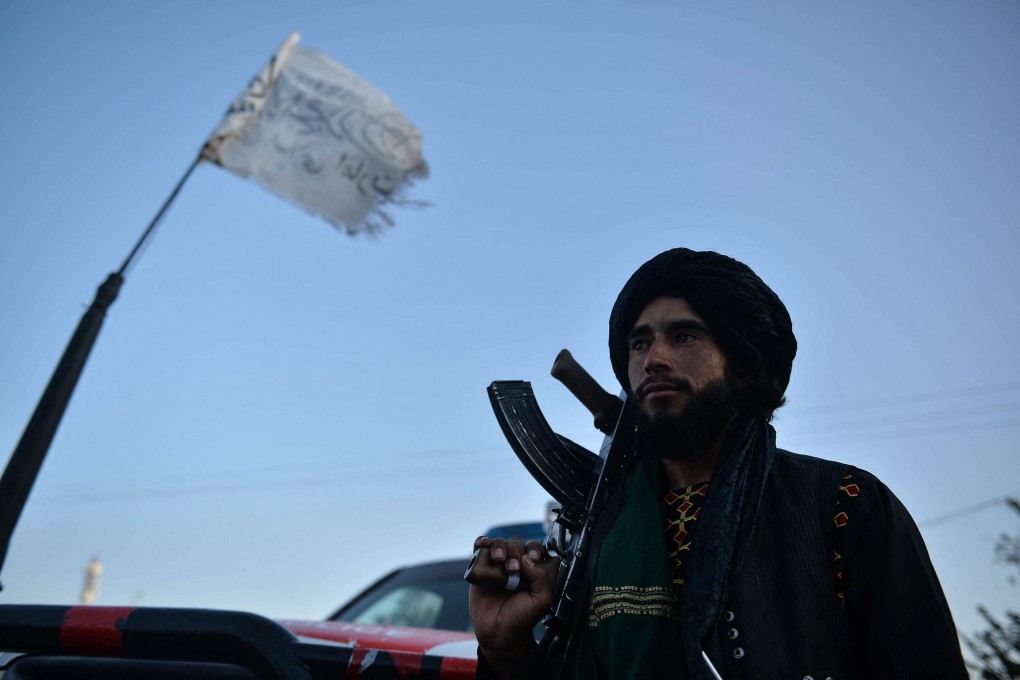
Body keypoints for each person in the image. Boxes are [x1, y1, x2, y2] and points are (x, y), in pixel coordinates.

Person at [469, 248, 968, 679]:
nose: (654, 358)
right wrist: (504, 650)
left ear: (745, 364)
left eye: (684, 336)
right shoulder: (604, 527)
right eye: (639, 343)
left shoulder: (843, 503)